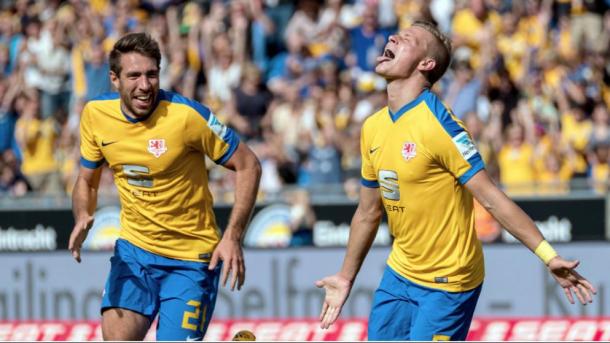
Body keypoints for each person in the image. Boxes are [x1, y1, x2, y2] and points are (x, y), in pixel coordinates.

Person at [315, 21, 597, 341]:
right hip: (400, 274)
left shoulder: (440, 126)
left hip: (449, 283)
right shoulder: (373, 127)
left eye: (406, 39)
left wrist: (549, 255)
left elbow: (491, 197)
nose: (393, 36)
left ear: (426, 64)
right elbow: (368, 212)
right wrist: (345, 276)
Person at [68, 32, 261, 341]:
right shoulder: (94, 115)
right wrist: (81, 215)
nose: (145, 85)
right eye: (134, 76)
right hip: (135, 253)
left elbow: (249, 164)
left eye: (151, 74)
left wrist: (233, 235)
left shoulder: (187, 116)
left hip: (191, 260)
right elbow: (86, 181)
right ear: (114, 79)